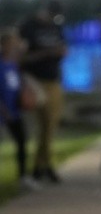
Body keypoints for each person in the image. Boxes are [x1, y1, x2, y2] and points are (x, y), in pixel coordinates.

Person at [19, 0, 67, 183]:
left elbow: (63, 48)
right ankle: (42, 167)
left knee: (51, 125)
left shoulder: (57, 27)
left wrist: (60, 52)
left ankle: (42, 166)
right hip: (35, 81)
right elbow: (21, 56)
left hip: (53, 80)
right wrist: (46, 53)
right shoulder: (29, 27)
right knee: (43, 125)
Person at [0, 28, 40, 192]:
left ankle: (23, 176)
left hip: (14, 110)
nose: (15, 45)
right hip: (4, 111)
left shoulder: (14, 64)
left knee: (22, 141)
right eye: (11, 42)